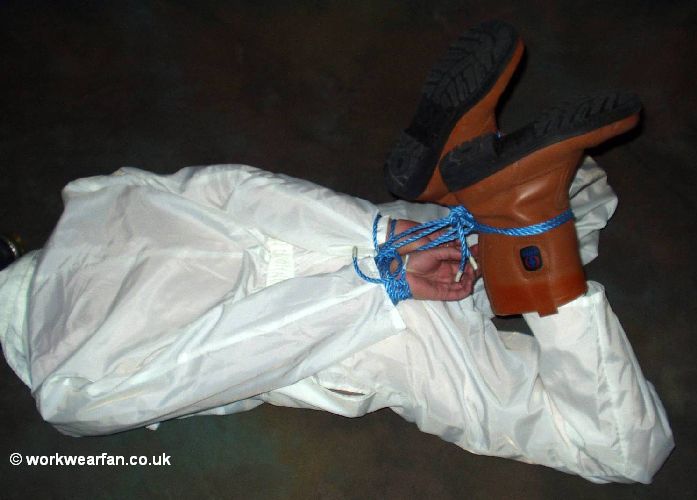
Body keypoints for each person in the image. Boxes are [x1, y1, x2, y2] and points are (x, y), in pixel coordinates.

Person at [0, 20, 673, 484]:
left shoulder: (68, 388)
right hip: (377, 233)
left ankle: (528, 236)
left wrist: (381, 282)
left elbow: (227, 350)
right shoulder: (91, 198)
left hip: (368, 329)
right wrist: (381, 235)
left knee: (620, 451)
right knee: (589, 196)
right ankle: (474, 184)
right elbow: (234, 188)